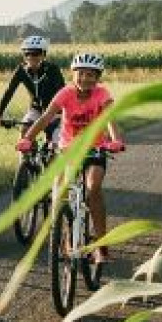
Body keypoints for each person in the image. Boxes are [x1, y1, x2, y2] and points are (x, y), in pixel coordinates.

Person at [16, 51, 126, 260]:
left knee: (93, 188)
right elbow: (47, 117)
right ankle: (67, 240)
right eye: (81, 74)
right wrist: (28, 138)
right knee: (61, 194)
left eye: (91, 75)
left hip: (95, 149)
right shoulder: (65, 93)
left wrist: (115, 141)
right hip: (68, 150)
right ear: (73, 74)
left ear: (98, 77)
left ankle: (101, 246)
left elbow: (110, 119)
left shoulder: (102, 94)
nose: (85, 79)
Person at [0, 34, 64, 143]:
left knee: (54, 139)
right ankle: (25, 160)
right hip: (36, 109)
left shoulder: (52, 70)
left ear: (44, 55)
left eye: (35, 53)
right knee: (24, 131)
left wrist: (60, 113)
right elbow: (9, 91)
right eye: (27, 53)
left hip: (54, 111)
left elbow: (62, 92)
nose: (30, 57)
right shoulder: (21, 70)